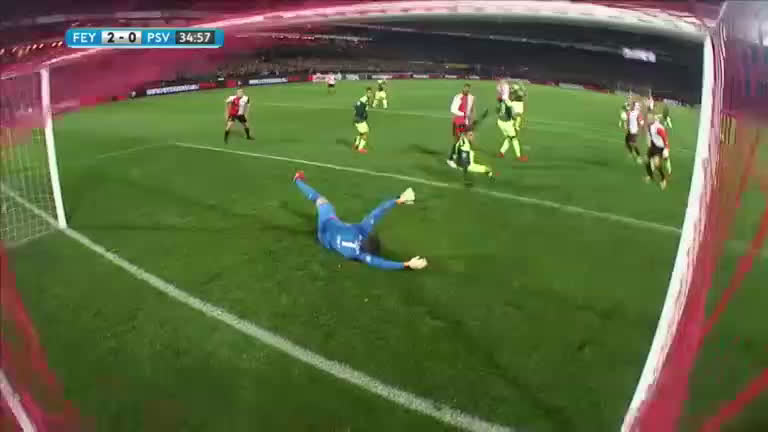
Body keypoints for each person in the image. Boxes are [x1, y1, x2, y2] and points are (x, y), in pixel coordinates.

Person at [292, 171, 428, 270]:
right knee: (342, 226)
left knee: (320, 200)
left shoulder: (362, 230)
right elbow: (381, 263)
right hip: (324, 240)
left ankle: (298, 179)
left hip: (328, 222)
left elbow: (378, 212)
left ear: (365, 237)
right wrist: (407, 264)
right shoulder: (360, 255)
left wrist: (397, 200)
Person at [447, 83, 475, 168]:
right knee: (458, 140)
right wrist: (463, 114)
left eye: (468, 88)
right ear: (463, 88)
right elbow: (453, 109)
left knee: (469, 139)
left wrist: (471, 119)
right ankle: (451, 159)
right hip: (459, 120)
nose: (466, 90)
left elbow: (472, 109)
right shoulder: (458, 97)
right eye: (465, 88)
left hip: (466, 121)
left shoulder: (471, 97)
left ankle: (463, 157)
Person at [496, 92, 526, 161]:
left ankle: (501, 152)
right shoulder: (510, 104)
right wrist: (516, 122)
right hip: (507, 123)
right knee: (514, 138)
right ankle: (519, 157)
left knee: (509, 138)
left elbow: (498, 104)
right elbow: (514, 116)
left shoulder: (503, 102)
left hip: (500, 122)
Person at [644, 114, 670, 190]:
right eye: (647, 119)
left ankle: (663, 179)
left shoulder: (658, 128)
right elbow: (650, 135)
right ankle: (650, 176)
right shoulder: (649, 126)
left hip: (659, 147)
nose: (648, 120)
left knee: (657, 164)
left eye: (649, 119)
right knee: (646, 160)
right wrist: (649, 143)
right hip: (653, 146)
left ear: (652, 119)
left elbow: (665, 137)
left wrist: (666, 149)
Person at [353, 87, 374, 153]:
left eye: (370, 93)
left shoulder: (365, 99)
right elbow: (357, 108)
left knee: (363, 132)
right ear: (366, 93)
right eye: (368, 92)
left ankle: (357, 142)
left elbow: (356, 107)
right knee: (365, 134)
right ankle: (360, 148)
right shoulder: (363, 100)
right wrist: (362, 116)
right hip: (359, 119)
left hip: (359, 118)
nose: (369, 94)